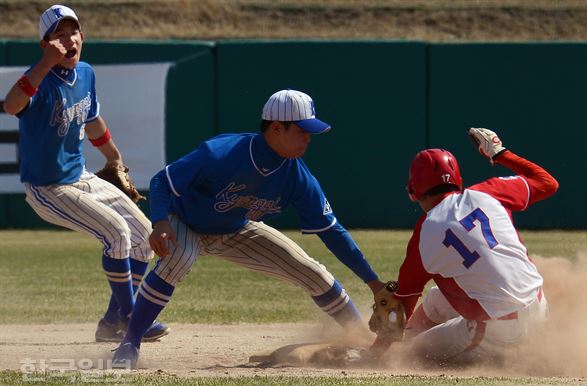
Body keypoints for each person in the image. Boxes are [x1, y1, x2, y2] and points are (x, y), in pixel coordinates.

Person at [112, 88, 384, 368]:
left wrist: (373, 282)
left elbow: (332, 232)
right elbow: (161, 182)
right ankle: (130, 343)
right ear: (277, 128)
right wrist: (160, 222)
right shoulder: (221, 153)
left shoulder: (297, 176)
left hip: (234, 229)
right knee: (180, 258)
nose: (308, 137)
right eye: (302, 130)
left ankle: (363, 339)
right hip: (185, 222)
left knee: (312, 272)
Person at [2, 4, 168, 343]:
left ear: (83, 36)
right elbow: (11, 105)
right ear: (45, 44)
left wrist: (115, 159)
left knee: (142, 236)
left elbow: (93, 122)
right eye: (58, 36)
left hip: (80, 177)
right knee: (118, 233)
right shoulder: (39, 80)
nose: (68, 40)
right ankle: (132, 318)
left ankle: (110, 324)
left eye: (72, 32)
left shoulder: (87, 73)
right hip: (48, 189)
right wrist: (46, 62)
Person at [387, 127, 558, 366]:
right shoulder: (489, 193)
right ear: (459, 181)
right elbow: (547, 183)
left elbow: (403, 302)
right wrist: (500, 153)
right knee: (436, 299)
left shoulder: (425, 231)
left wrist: (379, 349)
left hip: (498, 331)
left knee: (412, 353)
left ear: (413, 191)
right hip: (539, 306)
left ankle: (411, 344)